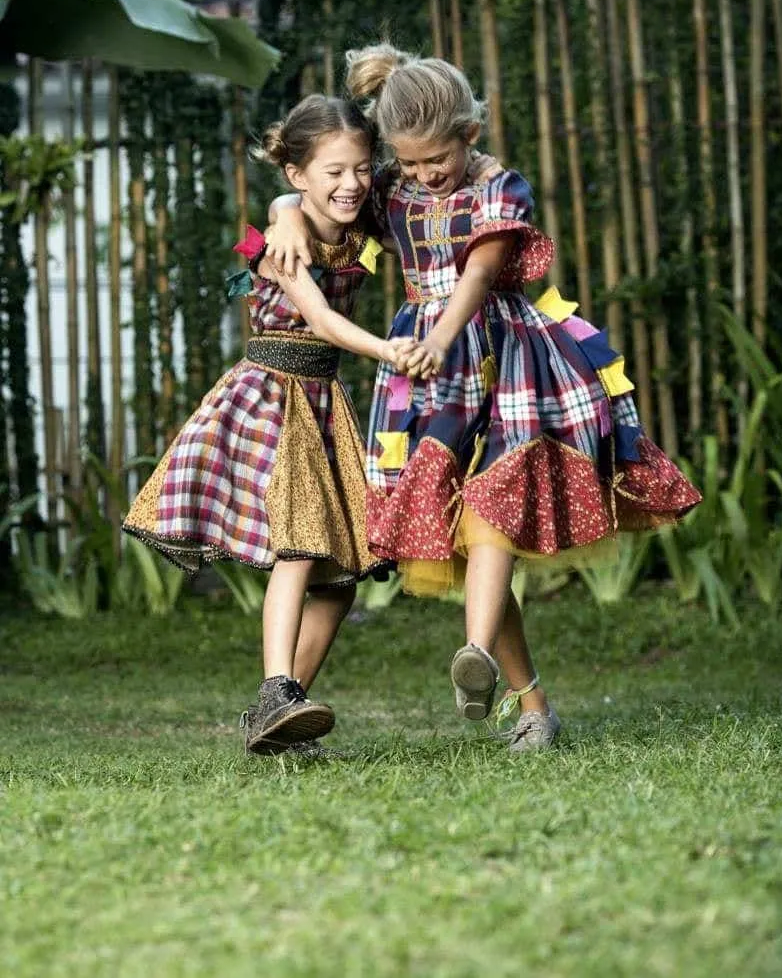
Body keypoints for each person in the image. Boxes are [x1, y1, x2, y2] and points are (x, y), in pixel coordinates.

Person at [266, 46, 702, 752]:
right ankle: (529, 701)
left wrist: (441, 332)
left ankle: (476, 653)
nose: (419, 175)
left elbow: (481, 271)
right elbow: (321, 195)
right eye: (405, 164)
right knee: (465, 534)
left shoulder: (499, 185)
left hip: (504, 361)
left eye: (433, 160)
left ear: (469, 135)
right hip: (426, 379)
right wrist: (284, 208)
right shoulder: (389, 190)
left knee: (495, 506)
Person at [123, 94, 417, 756]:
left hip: (322, 399)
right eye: (334, 171)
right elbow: (316, 317)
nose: (351, 182)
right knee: (300, 542)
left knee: (342, 577)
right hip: (273, 395)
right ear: (296, 174)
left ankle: (279, 715)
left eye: (361, 168)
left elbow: (407, 185)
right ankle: (277, 685)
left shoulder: (359, 217)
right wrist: (386, 348)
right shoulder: (279, 243)